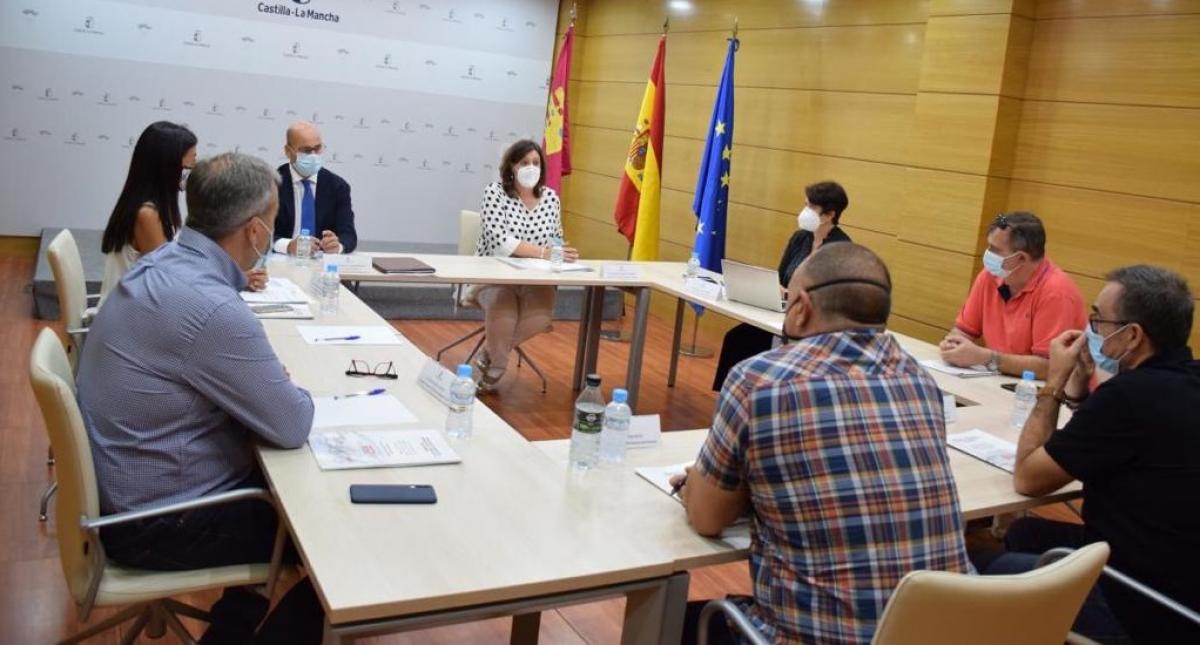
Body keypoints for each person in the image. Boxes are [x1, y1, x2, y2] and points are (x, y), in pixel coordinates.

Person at [78, 152, 323, 643]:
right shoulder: (211, 308)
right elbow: (293, 424)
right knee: (326, 541)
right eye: (273, 224)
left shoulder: (166, 261)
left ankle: (234, 624)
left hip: (125, 491)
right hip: (158, 522)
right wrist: (281, 383)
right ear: (254, 231)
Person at [673, 243, 972, 643]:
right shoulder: (920, 380)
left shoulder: (759, 380)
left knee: (673, 621)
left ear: (802, 306)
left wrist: (701, 483)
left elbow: (707, 518)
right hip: (934, 633)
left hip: (816, 637)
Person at [987, 265, 1200, 643]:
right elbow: (1119, 441)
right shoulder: (1178, 382)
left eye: (1098, 317)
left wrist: (1054, 380)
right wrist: (1084, 391)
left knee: (994, 569)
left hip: (1147, 605)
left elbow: (1028, 478)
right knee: (1027, 532)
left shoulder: (1130, 397)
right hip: (1183, 577)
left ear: (1132, 335)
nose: (1091, 327)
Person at [711, 181, 851, 390]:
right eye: (805, 205)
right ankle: (732, 398)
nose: (805, 212)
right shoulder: (800, 237)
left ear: (830, 215)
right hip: (784, 313)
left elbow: (834, 296)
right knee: (736, 339)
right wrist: (778, 289)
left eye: (812, 207)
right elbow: (781, 275)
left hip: (815, 322)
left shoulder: (841, 247)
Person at [465, 139, 578, 392]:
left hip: (535, 279)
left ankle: (488, 353)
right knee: (504, 314)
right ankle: (496, 370)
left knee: (539, 320)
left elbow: (555, 237)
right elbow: (500, 242)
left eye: (536, 163)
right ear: (512, 166)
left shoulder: (550, 198)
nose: (531, 167)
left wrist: (561, 252)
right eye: (525, 162)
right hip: (494, 275)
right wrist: (544, 253)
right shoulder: (495, 193)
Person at [940, 211, 1085, 378]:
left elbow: (1049, 366)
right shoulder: (990, 276)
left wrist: (988, 358)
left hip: (1043, 391)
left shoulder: (1057, 292)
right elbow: (964, 330)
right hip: (999, 380)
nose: (988, 254)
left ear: (1021, 258)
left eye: (995, 250)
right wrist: (953, 344)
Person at [98, 122, 208, 298]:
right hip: (128, 316)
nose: (190, 174)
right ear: (167, 168)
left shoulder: (151, 207)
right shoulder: (147, 215)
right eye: (187, 168)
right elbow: (167, 279)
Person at [273, 120, 357, 255]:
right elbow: (259, 234)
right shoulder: (271, 184)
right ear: (288, 152)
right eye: (305, 150)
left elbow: (349, 235)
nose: (313, 155)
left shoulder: (338, 186)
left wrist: (338, 246)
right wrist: (287, 245)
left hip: (322, 264)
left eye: (317, 149)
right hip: (280, 261)